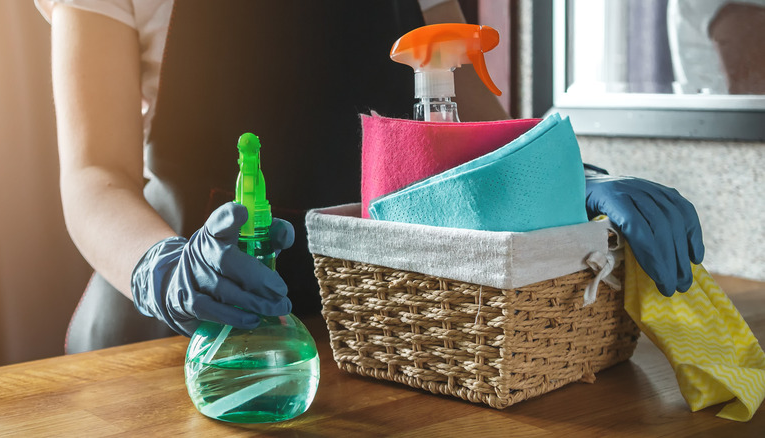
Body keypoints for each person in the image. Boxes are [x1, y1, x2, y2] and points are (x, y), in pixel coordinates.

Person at [36, 0, 704, 354]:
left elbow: (465, 121)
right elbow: (95, 173)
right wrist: (164, 270)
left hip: (370, 329)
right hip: (177, 334)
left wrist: (571, 181)